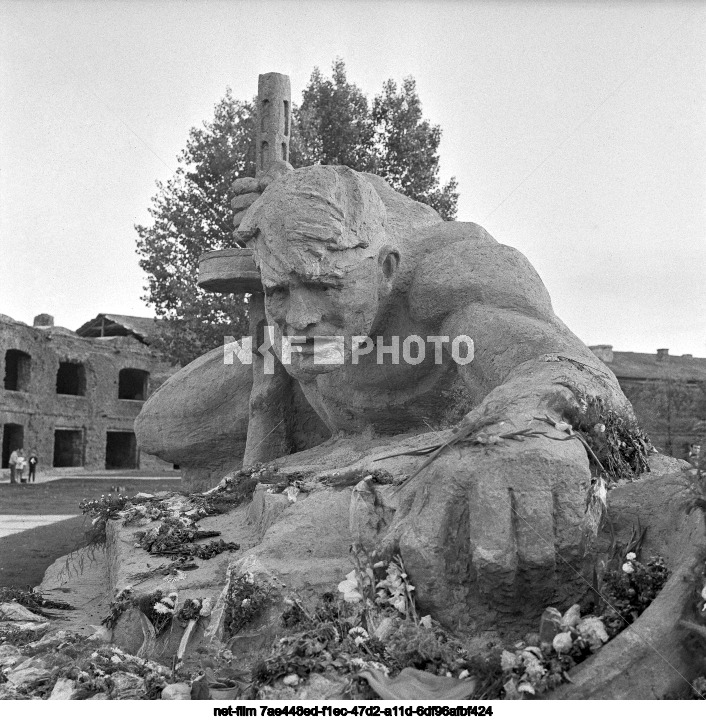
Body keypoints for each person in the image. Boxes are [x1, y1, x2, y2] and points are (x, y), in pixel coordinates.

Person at [137, 164, 635, 622]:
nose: (300, 317)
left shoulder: (453, 276)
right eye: (280, 291)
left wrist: (525, 428)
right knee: (161, 426)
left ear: (387, 269)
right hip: (329, 422)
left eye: (325, 286)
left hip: (407, 423)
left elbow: (570, 371)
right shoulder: (298, 316)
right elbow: (166, 432)